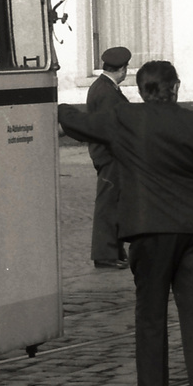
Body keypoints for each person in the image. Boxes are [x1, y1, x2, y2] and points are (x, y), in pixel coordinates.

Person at [57, 60, 193, 386]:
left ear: (140, 90)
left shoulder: (126, 119)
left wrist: (53, 103)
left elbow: (78, 122)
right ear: (177, 86)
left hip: (147, 229)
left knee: (151, 312)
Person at [87, 46, 132, 269]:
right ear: (122, 69)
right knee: (108, 204)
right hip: (110, 154)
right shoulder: (107, 92)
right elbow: (111, 127)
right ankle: (105, 254)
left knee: (115, 202)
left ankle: (114, 250)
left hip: (108, 153)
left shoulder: (104, 87)